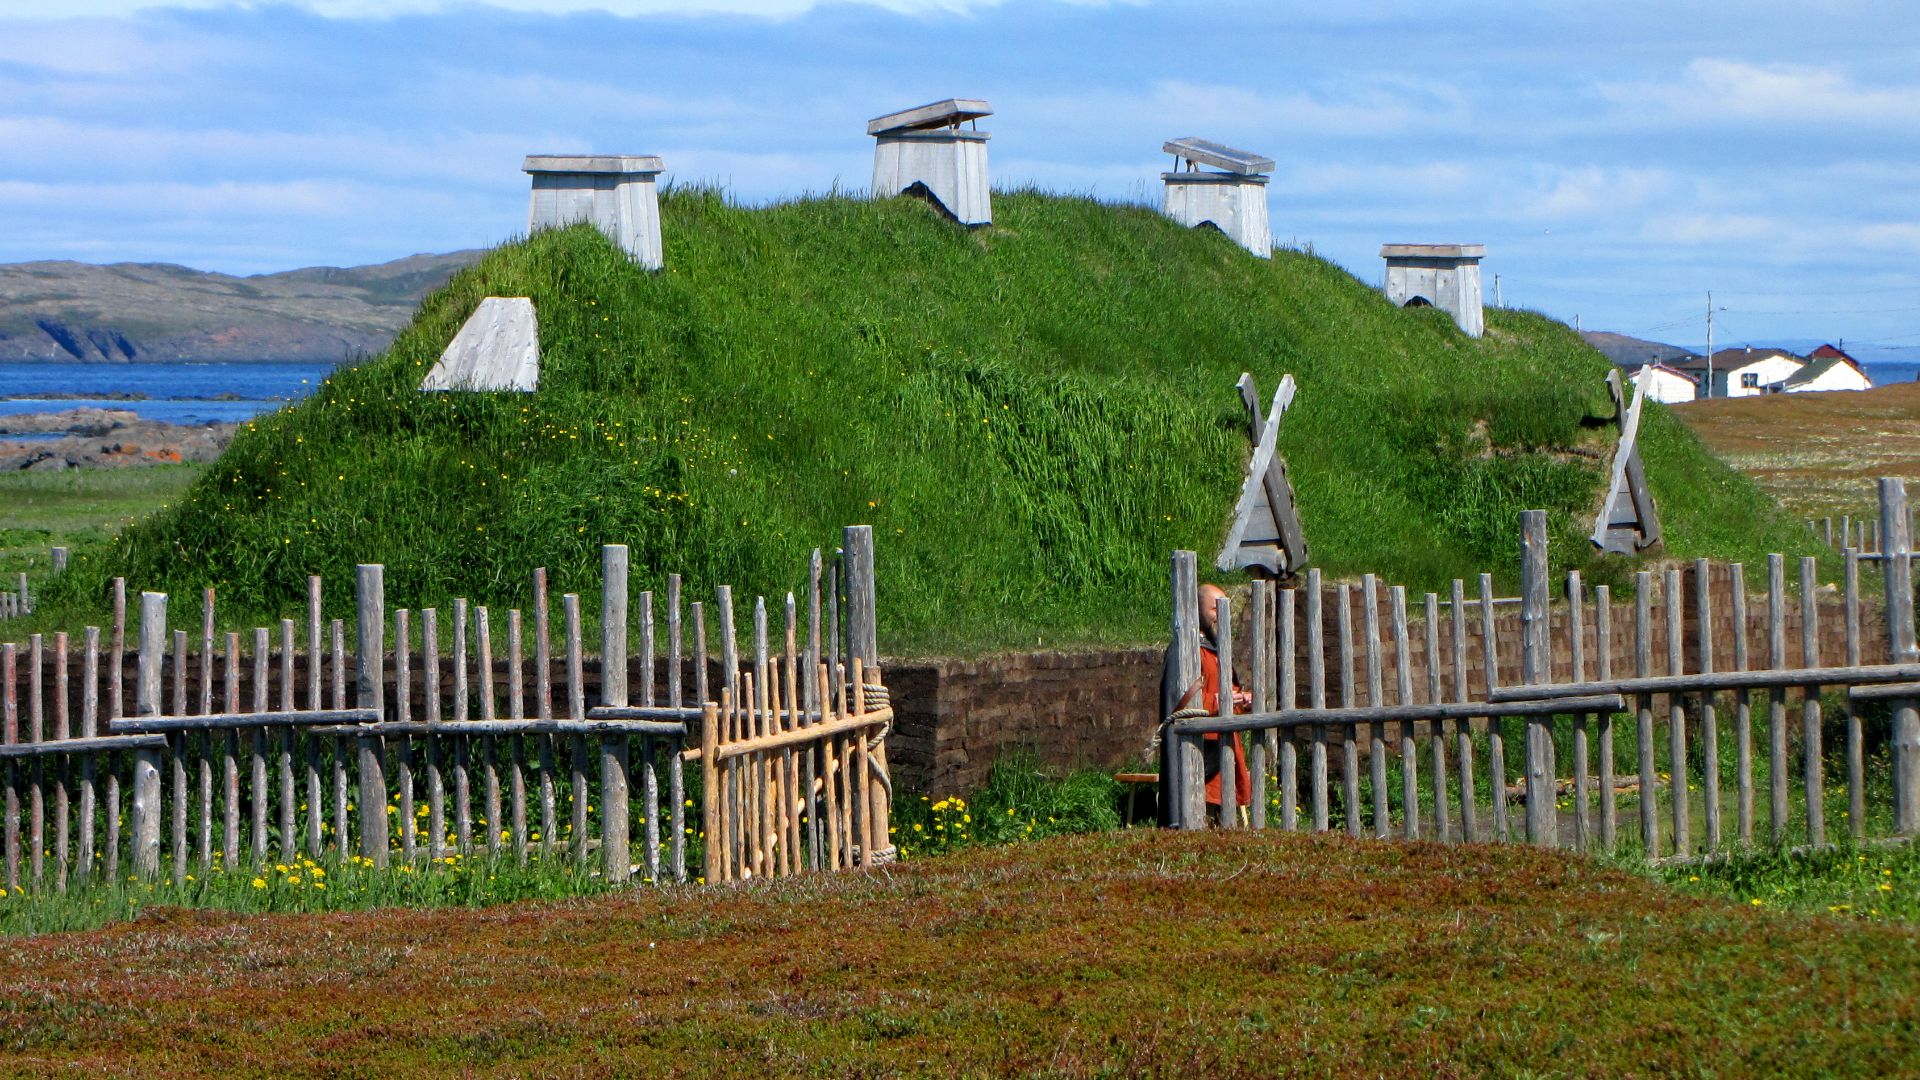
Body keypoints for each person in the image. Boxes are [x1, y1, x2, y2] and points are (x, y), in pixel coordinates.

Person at [1158, 583, 1253, 825]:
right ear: (1199, 609)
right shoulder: (1186, 650)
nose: (1220, 616)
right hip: (1200, 755)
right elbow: (1182, 703)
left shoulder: (1217, 650)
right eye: (1214, 609)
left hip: (1223, 755)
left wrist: (1241, 700)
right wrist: (1220, 701)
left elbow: (1226, 695)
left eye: (1224, 609)